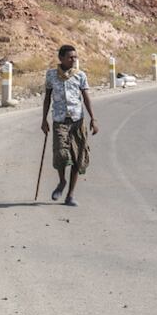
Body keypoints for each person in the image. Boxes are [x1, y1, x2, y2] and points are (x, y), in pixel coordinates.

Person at [40, 45, 98, 207]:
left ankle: (70, 195)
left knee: (78, 158)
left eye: (75, 57)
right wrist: (43, 120)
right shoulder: (51, 75)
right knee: (61, 154)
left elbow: (86, 98)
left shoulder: (80, 75)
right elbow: (47, 98)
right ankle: (61, 181)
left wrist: (93, 119)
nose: (73, 60)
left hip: (77, 121)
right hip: (59, 120)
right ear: (61, 58)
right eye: (70, 57)